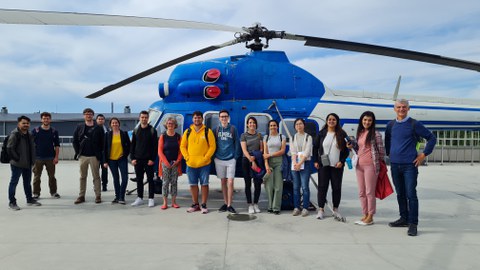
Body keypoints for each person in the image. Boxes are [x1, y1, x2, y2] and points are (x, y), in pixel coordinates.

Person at [385, 99, 436, 236]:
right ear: (394, 108)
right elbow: (388, 140)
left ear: (408, 108)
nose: (401, 109)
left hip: (409, 166)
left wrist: (423, 155)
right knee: (400, 194)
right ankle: (404, 218)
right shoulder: (390, 125)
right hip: (395, 165)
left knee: (411, 195)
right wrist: (390, 153)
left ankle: (413, 223)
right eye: (399, 107)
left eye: (404, 107)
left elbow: (431, 138)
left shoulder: (414, 124)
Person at [348, 111, 385, 225]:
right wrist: (351, 146)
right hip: (359, 166)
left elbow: (381, 152)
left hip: (370, 166)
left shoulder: (376, 134)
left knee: (369, 192)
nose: (367, 122)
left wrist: (376, 163)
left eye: (369, 120)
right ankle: (364, 214)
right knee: (361, 192)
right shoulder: (361, 133)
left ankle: (371, 216)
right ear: (361, 120)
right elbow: (359, 148)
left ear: (372, 122)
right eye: (365, 120)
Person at [313, 113, 349, 220]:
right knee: (322, 187)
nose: (331, 121)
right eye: (329, 119)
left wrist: (342, 161)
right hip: (324, 164)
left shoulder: (342, 134)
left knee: (336, 187)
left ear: (337, 121)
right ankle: (321, 209)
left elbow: (346, 150)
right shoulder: (321, 133)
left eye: (334, 119)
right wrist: (315, 160)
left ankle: (336, 209)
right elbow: (315, 148)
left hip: (337, 166)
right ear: (327, 121)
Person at [180, 111, 216, 214]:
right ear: (193, 119)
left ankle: (203, 204)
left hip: (204, 164)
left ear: (202, 119)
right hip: (191, 164)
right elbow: (182, 146)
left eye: (199, 118)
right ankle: (195, 204)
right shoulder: (187, 132)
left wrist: (206, 157)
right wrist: (187, 157)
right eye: (195, 118)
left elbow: (212, 146)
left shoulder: (207, 131)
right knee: (193, 184)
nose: (197, 119)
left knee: (204, 184)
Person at [7, 115, 41, 210]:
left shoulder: (29, 135)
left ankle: (29, 199)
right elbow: (9, 149)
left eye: (27, 123)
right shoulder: (14, 134)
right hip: (17, 164)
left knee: (27, 183)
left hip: (28, 163)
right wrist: (17, 159)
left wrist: (32, 160)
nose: (26, 125)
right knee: (14, 183)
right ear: (19, 124)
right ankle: (12, 202)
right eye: (23, 123)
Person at [72, 108, 104, 204]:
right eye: (86, 114)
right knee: (82, 176)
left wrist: (100, 153)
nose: (88, 115)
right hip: (83, 156)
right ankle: (81, 196)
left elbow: (102, 141)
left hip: (94, 156)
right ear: (84, 116)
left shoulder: (98, 127)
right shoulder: (79, 126)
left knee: (96, 177)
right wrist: (78, 152)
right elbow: (75, 141)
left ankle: (98, 196)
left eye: (90, 114)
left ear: (93, 115)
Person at [214, 110, 241, 214]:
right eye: (222, 117)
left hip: (230, 159)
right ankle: (225, 203)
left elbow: (237, 143)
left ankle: (230, 204)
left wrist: (235, 157)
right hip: (219, 159)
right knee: (223, 182)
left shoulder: (233, 129)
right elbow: (213, 143)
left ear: (228, 117)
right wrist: (214, 157)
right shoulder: (216, 129)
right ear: (219, 118)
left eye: (225, 116)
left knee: (230, 182)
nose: (224, 118)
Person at [130, 110, 158, 207]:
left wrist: (152, 159)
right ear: (139, 118)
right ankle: (140, 198)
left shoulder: (152, 130)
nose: (144, 119)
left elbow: (155, 147)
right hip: (137, 160)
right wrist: (132, 158)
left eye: (146, 117)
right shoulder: (136, 130)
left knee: (150, 179)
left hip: (148, 160)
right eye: (142, 117)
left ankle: (151, 198)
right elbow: (132, 145)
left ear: (148, 118)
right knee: (139, 179)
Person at [32, 112, 61, 199]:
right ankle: (36, 193)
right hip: (38, 158)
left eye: (47, 118)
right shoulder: (35, 130)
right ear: (41, 120)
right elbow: (31, 144)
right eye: (44, 118)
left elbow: (57, 145)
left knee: (52, 176)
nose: (46, 120)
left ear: (50, 120)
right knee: (37, 177)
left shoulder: (54, 131)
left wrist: (56, 157)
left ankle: (53, 192)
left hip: (50, 158)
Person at [103, 117, 130, 205]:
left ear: (119, 124)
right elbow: (104, 148)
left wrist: (125, 154)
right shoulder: (107, 134)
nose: (115, 124)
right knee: (116, 178)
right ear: (110, 124)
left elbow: (129, 146)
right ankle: (117, 196)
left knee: (125, 178)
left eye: (116, 123)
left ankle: (122, 197)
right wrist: (105, 161)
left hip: (121, 159)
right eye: (113, 123)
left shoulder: (124, 134)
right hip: (111, 160)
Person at [240, 116, 264, 214]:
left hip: (257, 160)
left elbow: (262, 149)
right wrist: (251, 159)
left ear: (256, 124)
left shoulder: (259, 135)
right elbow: (244, 149)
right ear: (247, 124)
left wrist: (255, 157)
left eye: (253, 122)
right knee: (248, 183)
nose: (252, 124)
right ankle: (250, 204)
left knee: (257, 183)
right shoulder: (243, 135)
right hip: (246, 161)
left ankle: (256, 204)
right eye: (250, 123)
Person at [158, 117, 182, 210]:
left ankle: (174, 202)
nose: (170, 125)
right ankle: (165, 202)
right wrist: (165, 162)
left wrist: (178, 161)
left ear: (175, 125)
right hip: (165, 163)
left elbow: (181, 150)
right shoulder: (163, 136)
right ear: (166, 125)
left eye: (172, 123)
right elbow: (160, 151)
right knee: (165, 182)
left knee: (174, 182)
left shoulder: (178, 136)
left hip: (175, 163)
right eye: (168, 123)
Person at [290, 118, 313, 217]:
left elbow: (307, 152)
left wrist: (300, 163)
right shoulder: (292, 137)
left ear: (304, 125)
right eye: (297, 124)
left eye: (300, 124)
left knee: (305, 187)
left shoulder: (308, 137)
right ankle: (296, 207)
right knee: (295, 187)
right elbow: (293, 151)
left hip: (305, 163)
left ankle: (305, 208)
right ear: (295, 126)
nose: (299, 126)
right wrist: (295, 163)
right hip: (295, 164)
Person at [263, 120, 286, 215]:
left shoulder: (282, 137)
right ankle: (270, 206)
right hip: (269, 162)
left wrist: (270, 155)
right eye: (271, 125)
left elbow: (282, 151)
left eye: (274, 125)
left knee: (278, 186)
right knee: (269, 186)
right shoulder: (266, 137)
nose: (273, 127)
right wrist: (266, 165)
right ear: (269, 127)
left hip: (278, 162)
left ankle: (276, 207)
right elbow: (265, 153)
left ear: (277, 126)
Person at [96, 114, 109, 191]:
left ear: (104, 120)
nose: (100, 120)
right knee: (96, 171)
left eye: (102, 119)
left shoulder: (107, 129)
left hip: (104, 153)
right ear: (96, 120)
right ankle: (96, 185)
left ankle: (104, 185)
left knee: (105, 170)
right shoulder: (93, 129)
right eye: (99, 119)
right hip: (95, 154)